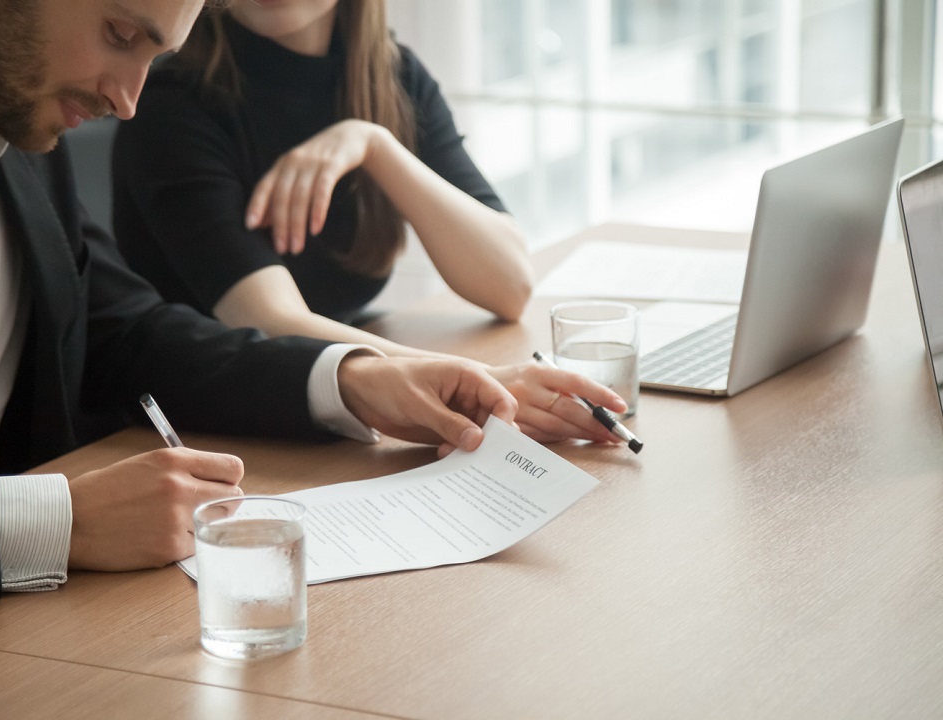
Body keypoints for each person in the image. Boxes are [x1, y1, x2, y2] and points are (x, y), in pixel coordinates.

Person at [0, 0, 623, 613]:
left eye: (149, 57)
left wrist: (353, 380)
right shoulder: (78, 108)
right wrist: (58, 522)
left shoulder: (13, 141)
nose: (127, 102)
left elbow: (127, 331)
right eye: (120, 34)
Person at [111, 0, 629, 443]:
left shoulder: (393, 75)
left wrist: (375, 145)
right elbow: (268, 319)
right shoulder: (172, 102)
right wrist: (473, 380)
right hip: (207, 427)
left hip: (336, 416)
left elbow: (508, 284)